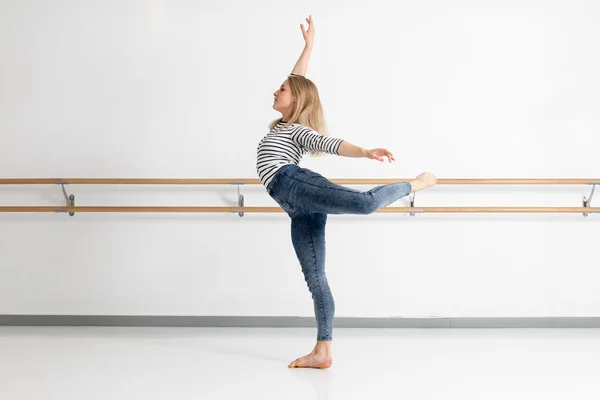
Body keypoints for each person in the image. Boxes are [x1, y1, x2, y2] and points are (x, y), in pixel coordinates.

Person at [256, 15, 437, 369]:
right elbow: (299, 82)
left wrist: (366, 151)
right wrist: (308, 47)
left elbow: (331, 142)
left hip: (293, 182)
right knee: (315, 277)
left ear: (294, 101)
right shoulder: (284, 123)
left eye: (281, 90)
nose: (276, 91)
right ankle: (323, 351)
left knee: (365, 204)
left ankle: (416, 183)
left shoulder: (296, 130)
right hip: (294, 206)